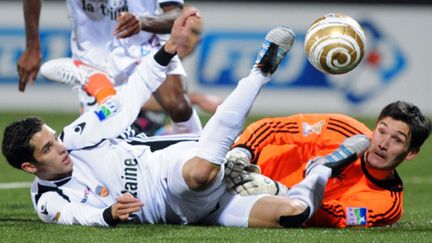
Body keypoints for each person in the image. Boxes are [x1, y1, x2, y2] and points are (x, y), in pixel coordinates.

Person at [4, 12, 352, 228]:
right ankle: (321, 169)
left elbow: (129, 99)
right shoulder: (48, 202)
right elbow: (77, 217)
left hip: (166, 169)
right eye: (48, 148)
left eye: (55, 137)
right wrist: (108, 214)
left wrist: (168, 48)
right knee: (293, 214)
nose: (61, 146)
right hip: (191, 213)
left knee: (198, 171)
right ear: (30, 167)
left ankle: (260, 72)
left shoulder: (76, 136)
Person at [224, 104, 431, 228]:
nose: (383, 144)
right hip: (240, 164)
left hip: (265, 204)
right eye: (382, 131)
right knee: (198, 175)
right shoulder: (344, 128)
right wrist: (242, 152)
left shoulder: (387, 205)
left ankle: (317, 172)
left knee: (294, 214)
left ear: (411, 152)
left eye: (397, 140)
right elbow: (273, 128)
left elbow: (336, 217)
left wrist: (276, 192)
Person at [17, 0, 202, 135]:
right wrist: (32, 46)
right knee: (106, 132)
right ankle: (91, 80)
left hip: (145, 39)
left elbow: (175, 13)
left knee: (178, 105)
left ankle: (198, 156)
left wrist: (143, 22)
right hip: (94, 51)